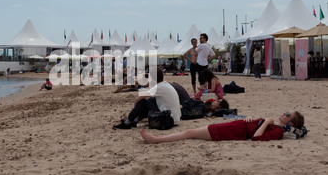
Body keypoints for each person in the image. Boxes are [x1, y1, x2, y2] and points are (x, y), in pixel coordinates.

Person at [140, 111, 305, 143]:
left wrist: (267, 121)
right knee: (191, 132)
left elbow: (256, 137)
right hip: (235, 126)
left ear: (290, 123)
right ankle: (157, 139)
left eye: (287, 115)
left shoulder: (277, 131)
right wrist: (250, 118)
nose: (284, 113)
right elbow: (256, 127)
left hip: (233, 131)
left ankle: (157, 140)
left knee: (190, 133)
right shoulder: (276, 126)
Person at [113, 68, 181, 129]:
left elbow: (138, 98)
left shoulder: (158, 87)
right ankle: (135, 121)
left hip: (167, 119)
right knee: (150, 100)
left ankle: (127, 122)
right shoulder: (165, 85)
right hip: (175, 119)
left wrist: (135, 108)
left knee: (142, 101)